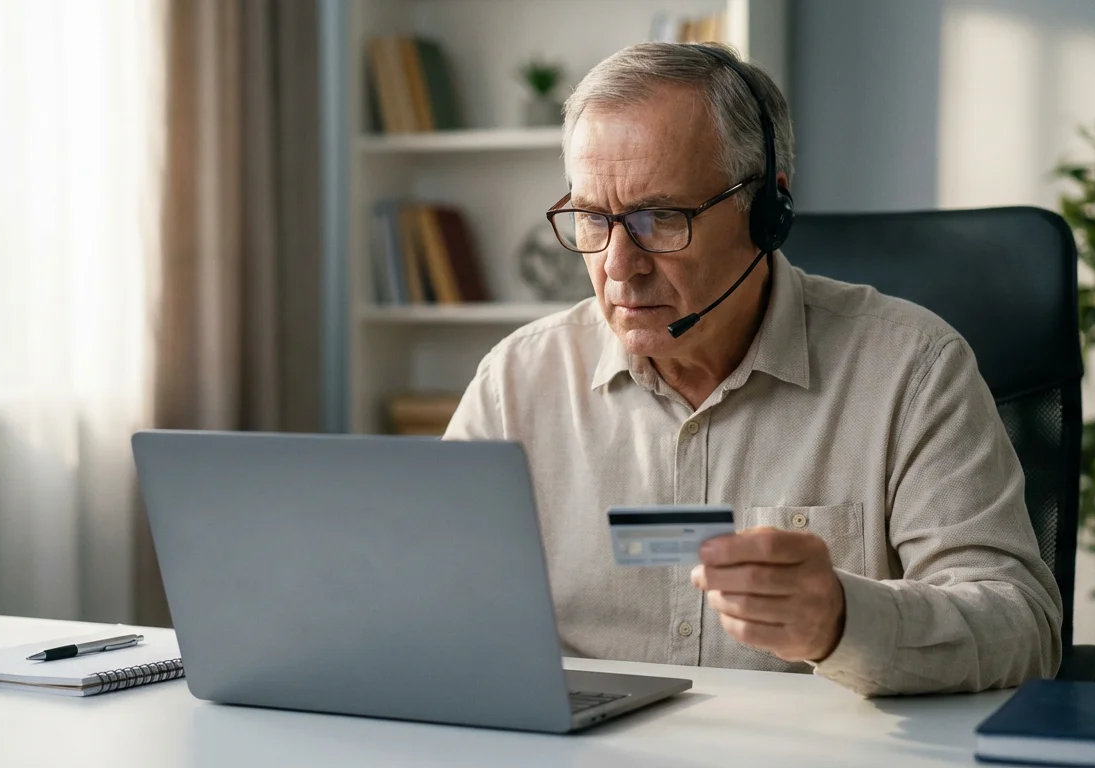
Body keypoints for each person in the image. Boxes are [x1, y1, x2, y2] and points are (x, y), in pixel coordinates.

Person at [443, 42, 1061, 696]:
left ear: (768, 212)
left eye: (662, 219)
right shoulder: (518, 381)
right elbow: (426, 593)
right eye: (594, 218)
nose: (619, 265)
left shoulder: (912, 370)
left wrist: (846, 620)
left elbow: (1024, 627)